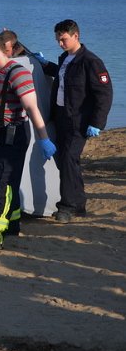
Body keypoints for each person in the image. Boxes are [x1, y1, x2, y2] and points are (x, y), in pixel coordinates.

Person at [0, 31, 56, 250]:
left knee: (1, 185)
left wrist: (43, 139)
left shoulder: (18, 74)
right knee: (7, 183)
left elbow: (31, 107)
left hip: (11, 135)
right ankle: (12, 225)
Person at [36, 19, 113, 223]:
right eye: (58, 40)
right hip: (61, 117)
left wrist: (97, 122)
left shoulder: (91, 61)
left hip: (79, 121)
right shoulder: (65, 58)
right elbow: (63, 77)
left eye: (64, 39)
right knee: (66, 162)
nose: (60, 44)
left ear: (76, 36)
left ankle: (67, 206)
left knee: (69, 159)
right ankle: (78, 204)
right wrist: (45, 65)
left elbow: (104, 93)